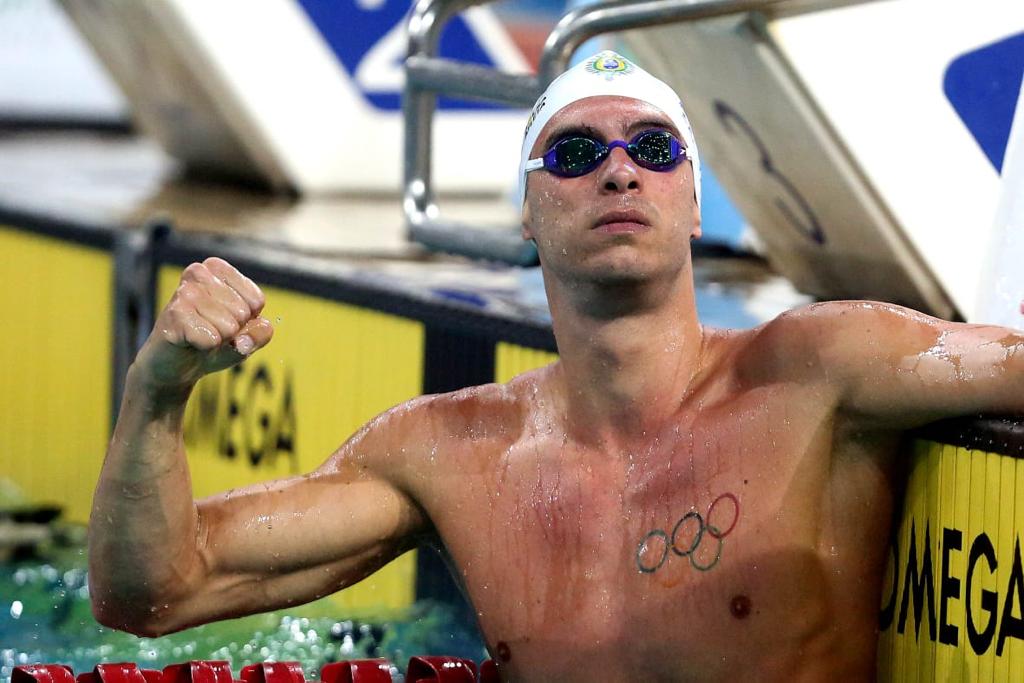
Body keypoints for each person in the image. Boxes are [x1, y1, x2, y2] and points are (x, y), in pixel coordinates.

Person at [89, 51, 1024, 681]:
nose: (619, 173)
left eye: (652, 149)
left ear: (694, 202)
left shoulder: (817, 368)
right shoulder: (451, 453)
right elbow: (153, 588)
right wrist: (157, 391)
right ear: (526, 216)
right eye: (574, 152)